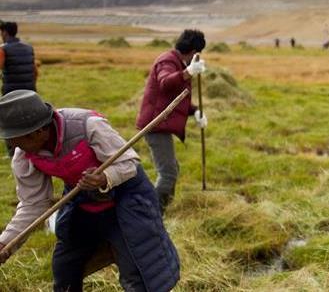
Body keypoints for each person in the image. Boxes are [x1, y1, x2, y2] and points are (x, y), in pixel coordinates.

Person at [0, 90, 179, 291]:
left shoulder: (87, 126)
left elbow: (129, 163)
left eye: (15, 138)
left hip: (127, 199)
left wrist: (104, 177)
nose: (12, 144)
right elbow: (33, 204)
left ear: (38, 132)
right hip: (83, 202)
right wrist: (5, 243)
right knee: (64, 270)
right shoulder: (24, 156)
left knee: (138, 271)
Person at [136, 29, 207, 212]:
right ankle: (153, 212)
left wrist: (196, 111)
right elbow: (165, 83)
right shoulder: (168, 61)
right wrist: (187, 73)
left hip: (160, 124)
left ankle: (165, 207)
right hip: (155, 124)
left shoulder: (177, 62)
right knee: (168, 173)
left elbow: (177, 98)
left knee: (172, 168)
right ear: (193, 52)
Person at [1, 21, 39, 157]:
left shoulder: (3, 49)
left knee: (10, 124)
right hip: (29, 91)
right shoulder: (28, 47)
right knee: (30, 121)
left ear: (5, 32)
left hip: (11, 92)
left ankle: (13, 153)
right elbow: (35, 71)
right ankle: (33, 149)